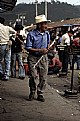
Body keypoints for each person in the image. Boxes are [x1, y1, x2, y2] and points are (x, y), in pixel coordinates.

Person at [26, 15, 51, 102]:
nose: (46, 26)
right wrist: (40, 50)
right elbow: (28, 47)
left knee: (43, 77)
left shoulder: (47, 34)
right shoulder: (31, 34)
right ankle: (32, 91)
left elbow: (48, 44)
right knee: (33, 76)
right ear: (39, 25)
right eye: (45, 24)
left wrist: (48, 49)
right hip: (33, 58)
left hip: (43, 58)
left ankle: (40, 93)